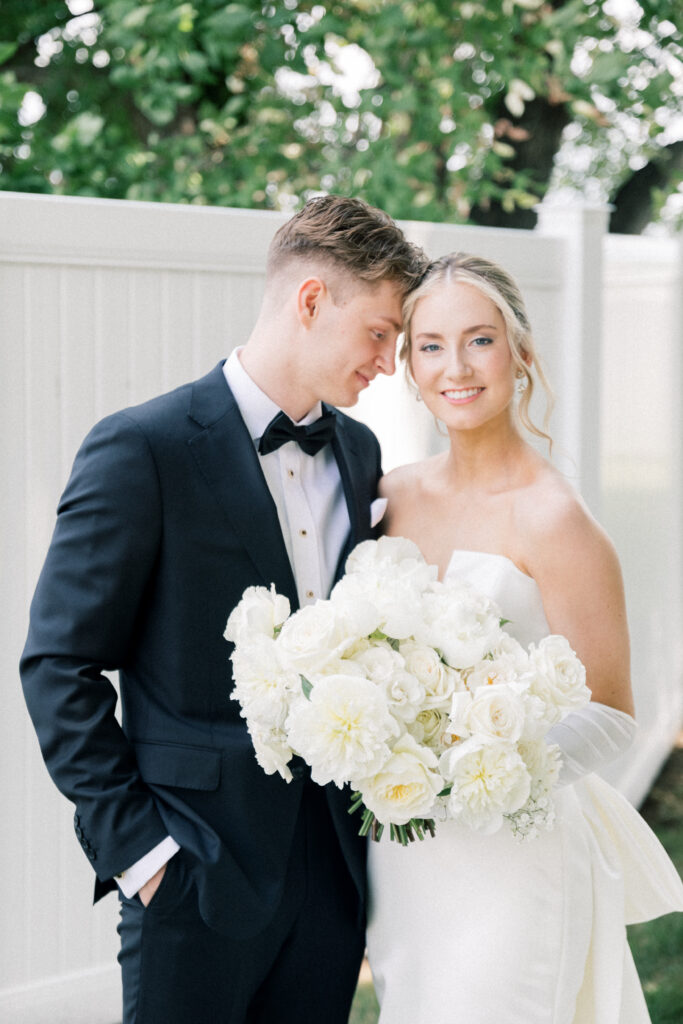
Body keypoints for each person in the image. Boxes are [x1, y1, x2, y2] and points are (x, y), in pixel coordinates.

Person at [19, 195, 427, 1024]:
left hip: (331, 878)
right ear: (311, 300)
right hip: (193, 870)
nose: (390, 363)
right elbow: (58, 664)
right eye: (380, 332)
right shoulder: (144, 447)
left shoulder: (359, 452)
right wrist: (140, 851)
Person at [365, 253, 683, 1024]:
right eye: (431, 345)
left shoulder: (554, 519)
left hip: (511, 849)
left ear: (519, 352)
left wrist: (486, 768)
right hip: (403, 852)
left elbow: (610, 713)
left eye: (479, 340)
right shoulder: (386, 495)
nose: (456, 367)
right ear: (409, 365)